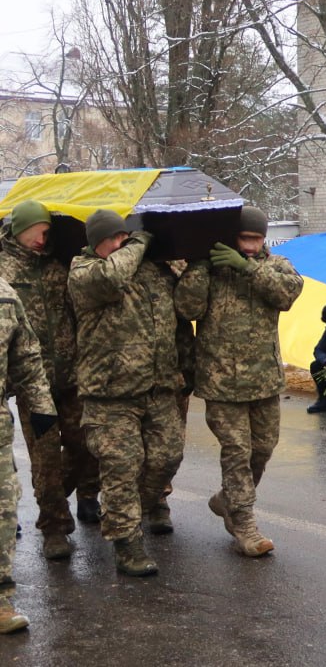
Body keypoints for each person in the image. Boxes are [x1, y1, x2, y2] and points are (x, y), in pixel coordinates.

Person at [175, 206, 302, 558]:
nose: (250, 245)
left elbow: (287, 294)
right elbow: (187, 308)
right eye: (245, 239)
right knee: (238, 453)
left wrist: (248, 268)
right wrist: (201, 264)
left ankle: (226, 500)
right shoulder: (212, 270)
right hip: (220, 382)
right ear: (232, 237)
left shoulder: (275, 266)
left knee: (262, 450)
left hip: (264, 380)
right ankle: (244, 524)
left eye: (257, 239)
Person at [67, 209, 185, 576]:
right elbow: (113, 275)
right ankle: (127, 545)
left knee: (167, 458)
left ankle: (130, 513)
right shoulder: (84, 272)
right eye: (113, 240)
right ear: (94, 244)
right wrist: (141, 240)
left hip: (158, 387)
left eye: (124, 237)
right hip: (109, 394)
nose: (121, 245)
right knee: (121, 467)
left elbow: (186, 307)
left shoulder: (150, 270)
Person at [0, 200, 99, 561]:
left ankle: (80, 494)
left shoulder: (61, 266)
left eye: (47, 232)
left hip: (72, 377)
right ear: (19, 229)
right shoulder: (4, 272)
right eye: (38, 233)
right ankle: (55, 528)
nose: (44, 239)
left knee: (87, 446)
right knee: (45, 460)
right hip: (31, 384)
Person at [0, 277, 58, 632]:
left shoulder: (4, 295)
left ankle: (0, 598)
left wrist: (40, 405)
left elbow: (27, 355)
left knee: (4, 508)